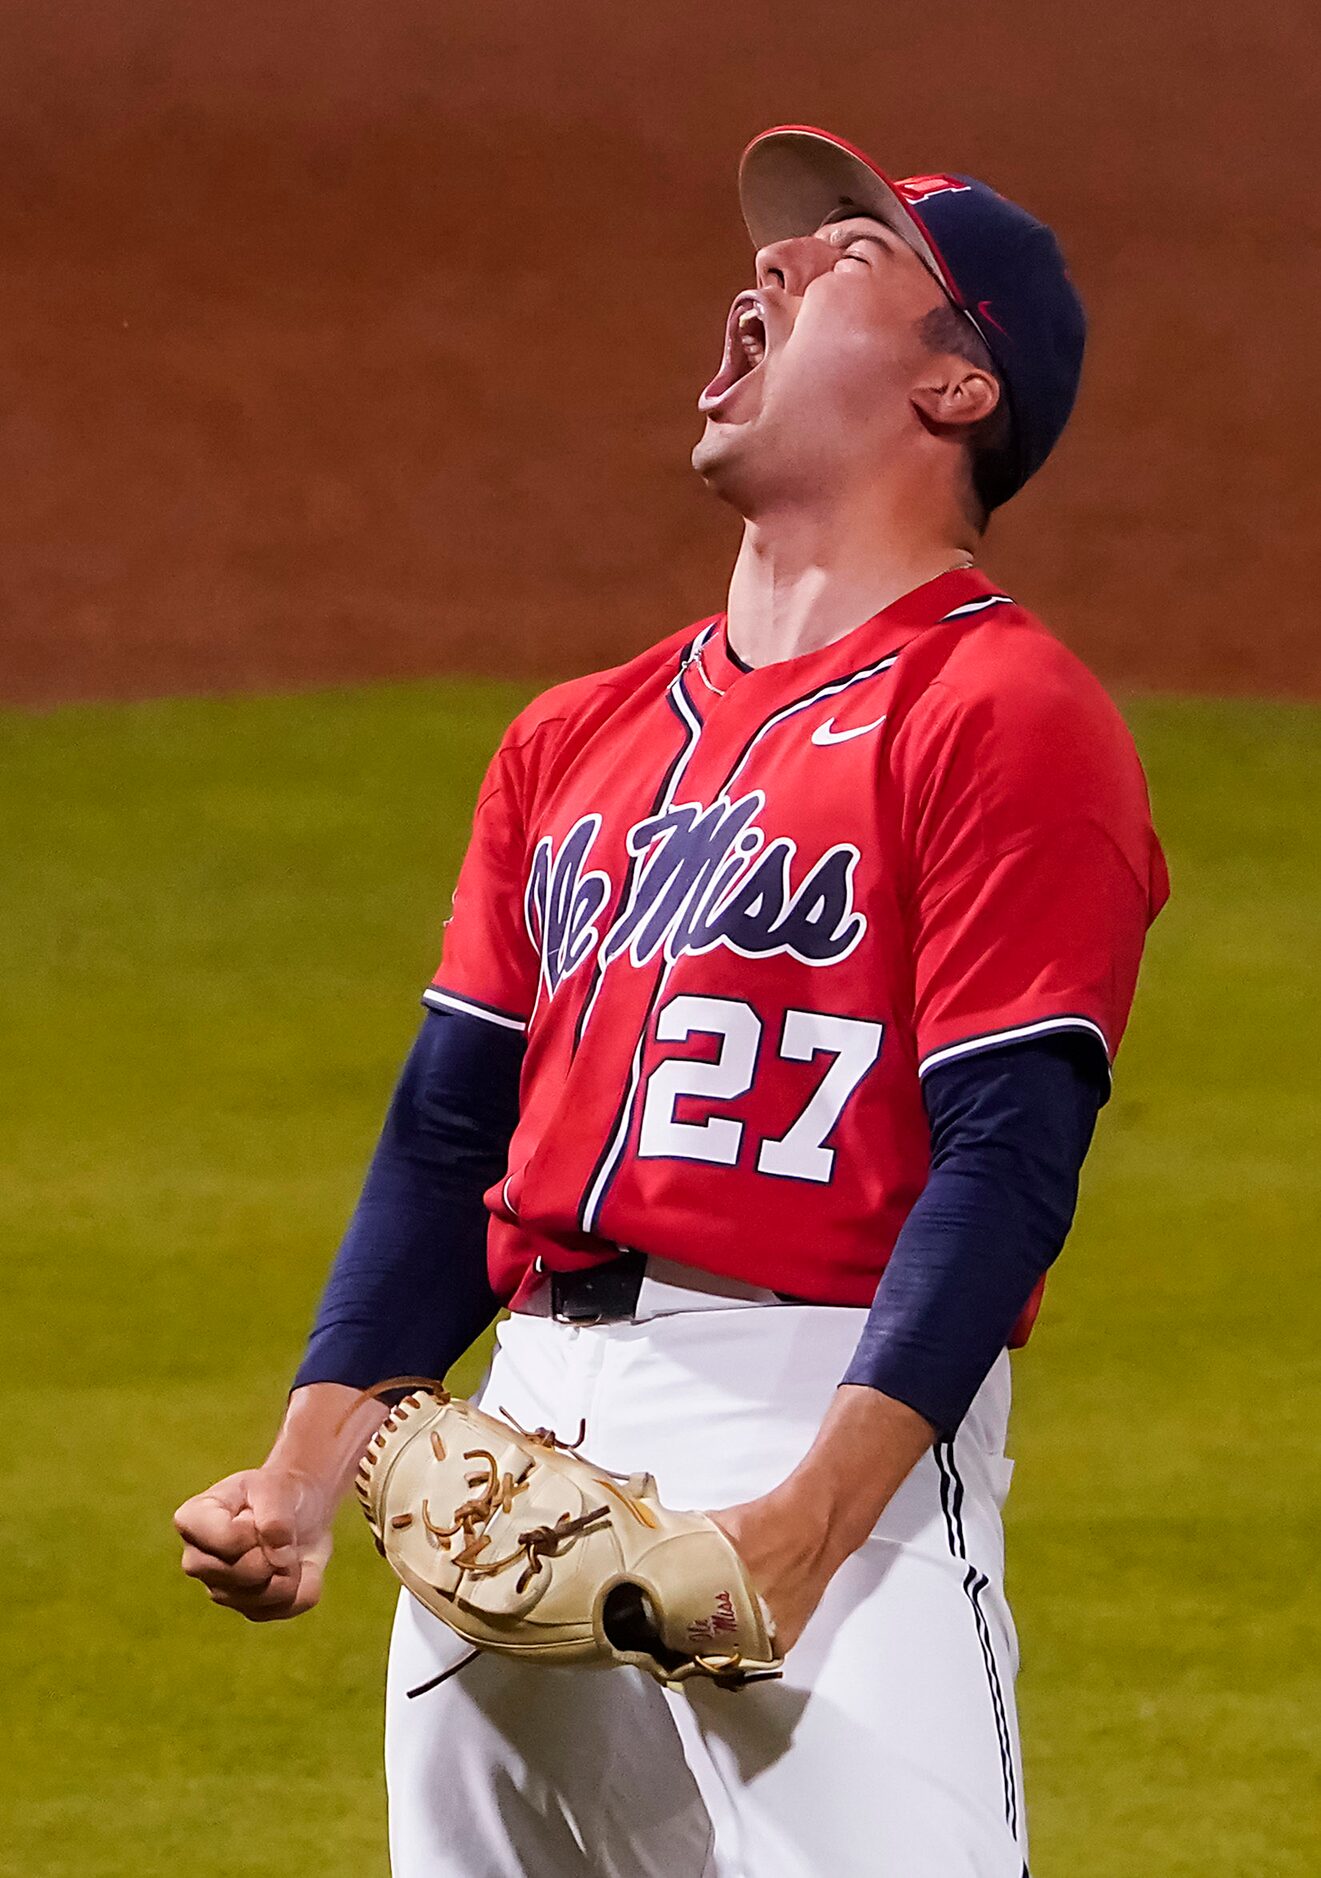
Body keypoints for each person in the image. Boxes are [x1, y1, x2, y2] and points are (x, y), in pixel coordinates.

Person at [175, 125, 1168, 1877]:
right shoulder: (571, 738)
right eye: (775, 254)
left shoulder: (1005, 712)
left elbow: (1006, 1159)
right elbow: (447, 1136)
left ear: (956, 382)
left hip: (814, 1419)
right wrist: (307, 1464)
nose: (768, 269)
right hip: (501, 1467)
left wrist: (808, 1521)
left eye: (845, 253)